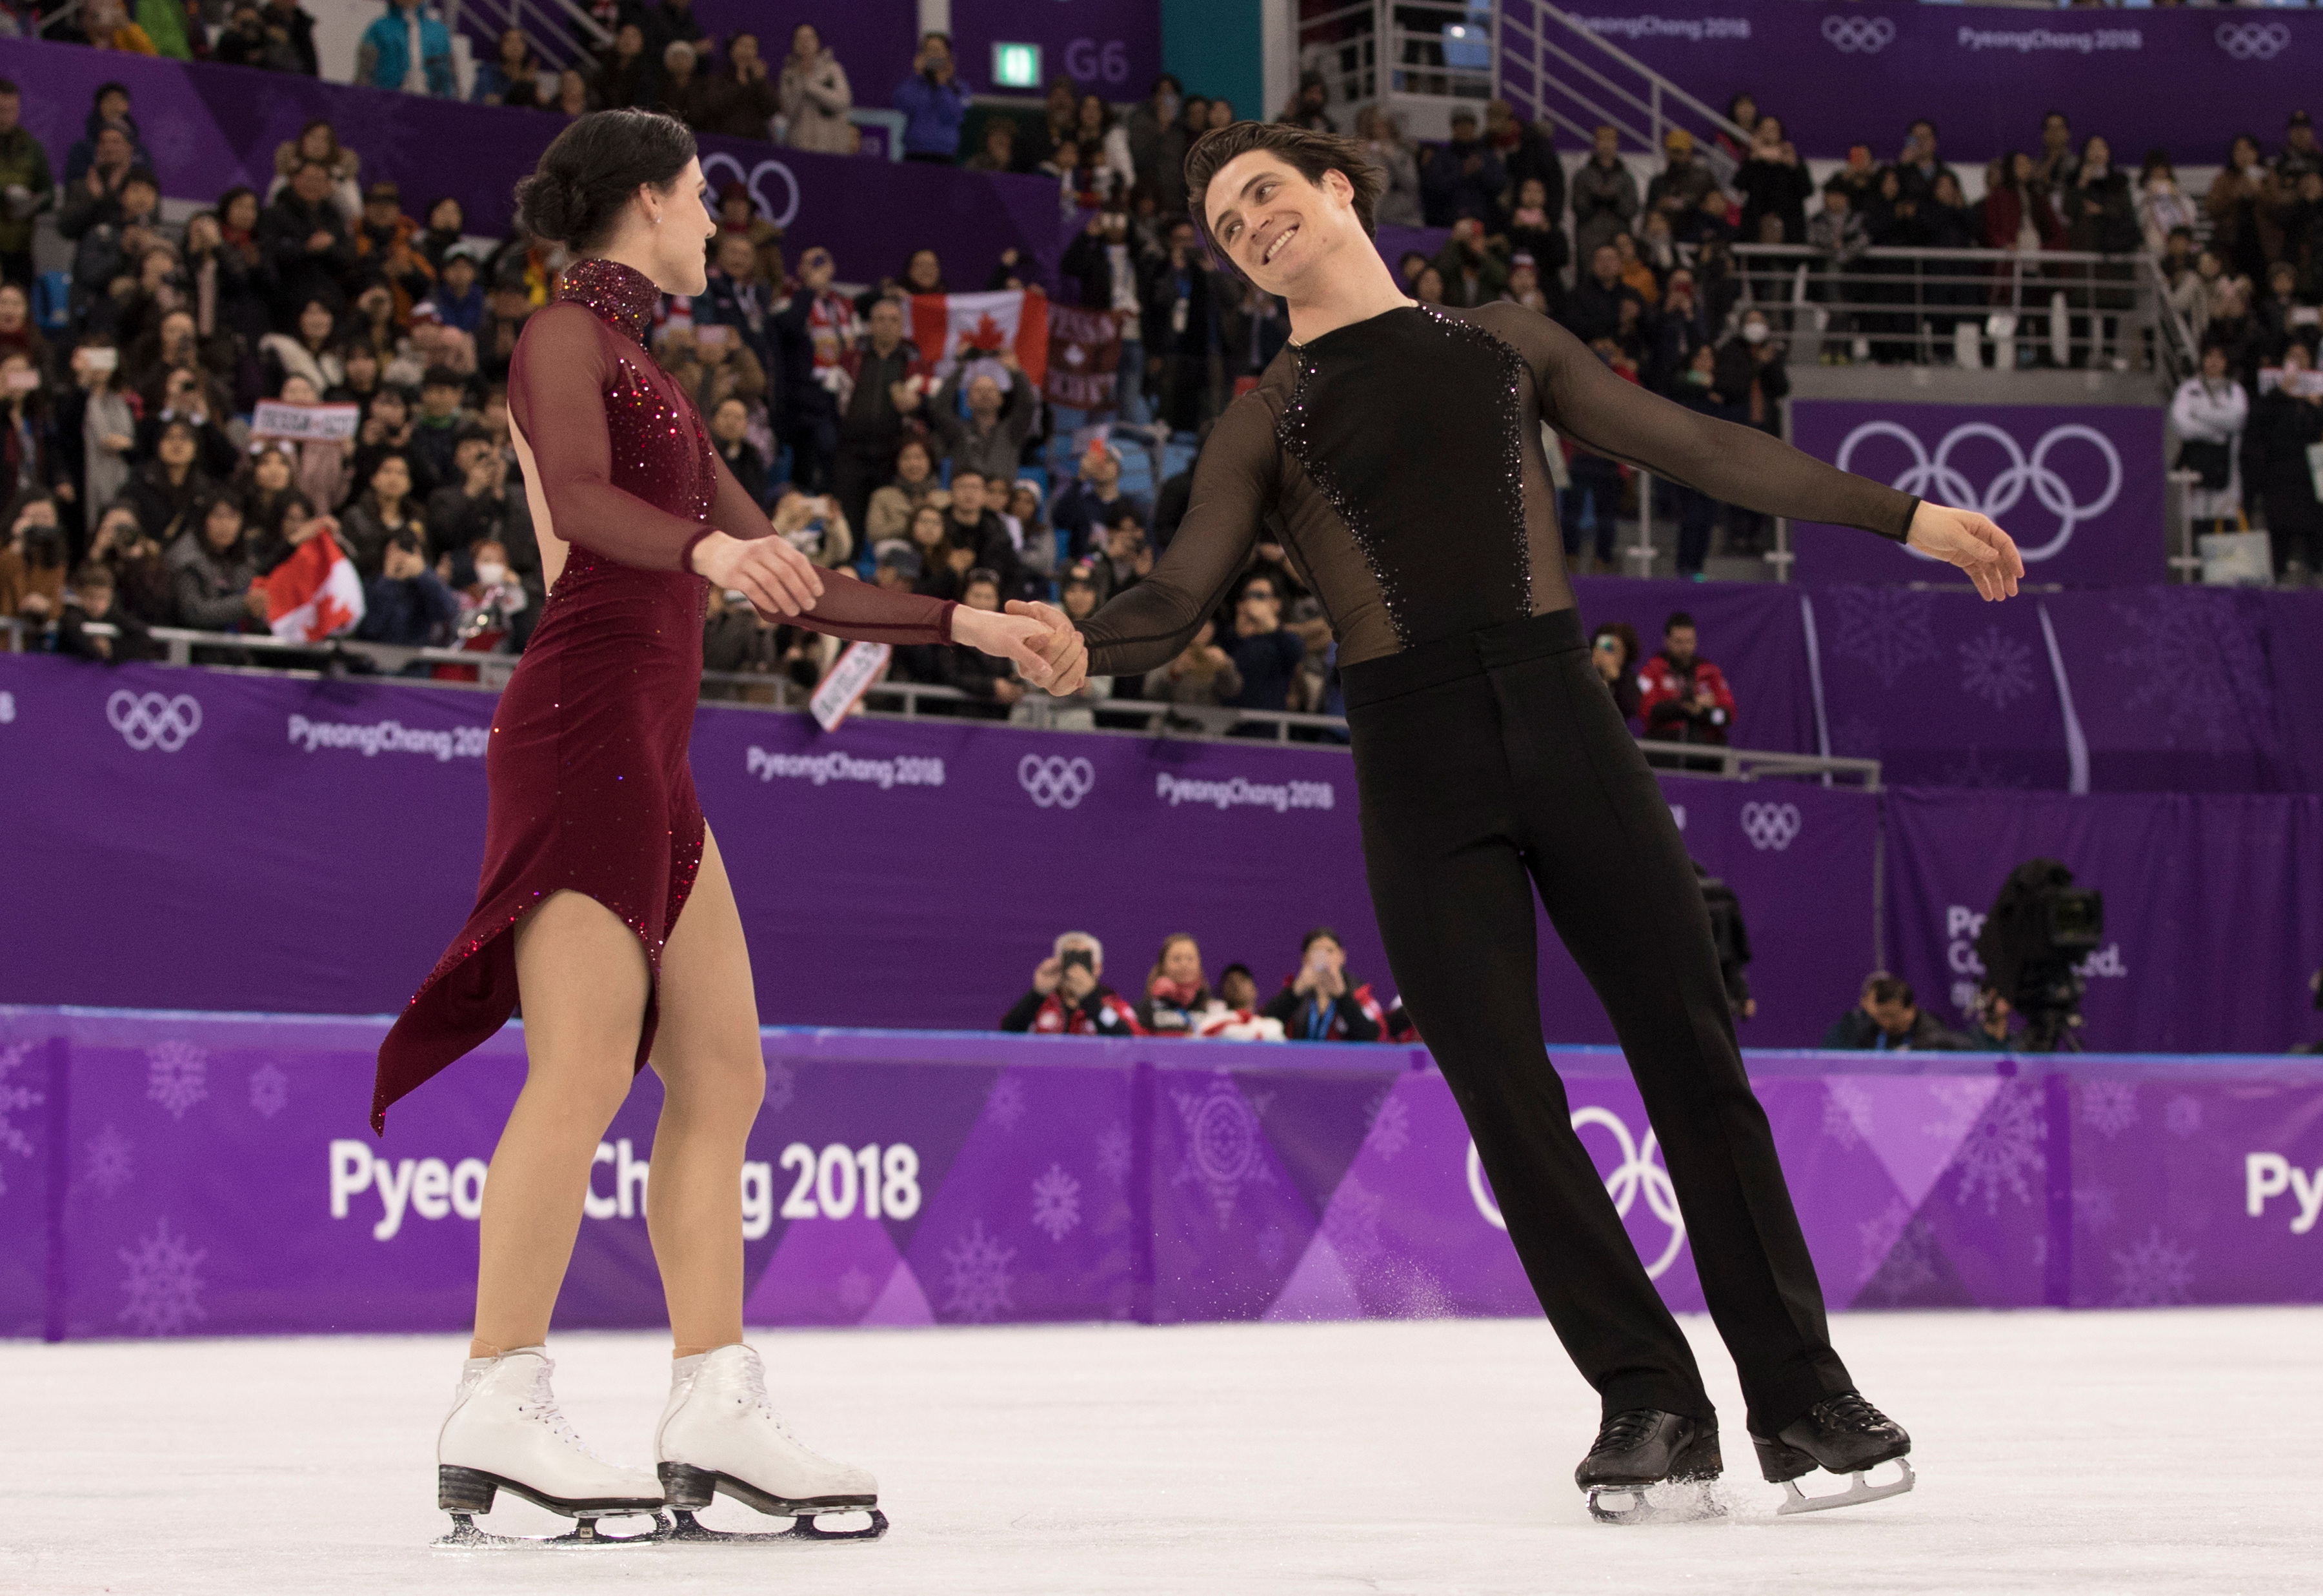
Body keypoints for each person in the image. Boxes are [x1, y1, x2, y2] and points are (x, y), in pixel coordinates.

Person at [1034, 121, 2025, 1521]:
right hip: (1414, 757)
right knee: (1508, 1097)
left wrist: (1899, 516)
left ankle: (1803, 1397)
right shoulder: (1266, 413)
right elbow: (1176, 594)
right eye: (1221, 224)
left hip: (1568, 726)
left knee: (1694, 1058)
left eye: (1263, 193)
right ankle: (1649, 1401)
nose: (1247, 225)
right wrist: (1081, 641)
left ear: (1339, 186)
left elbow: (1693, 444)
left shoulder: (1502, 340)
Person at [369, 110, 1070, 1545]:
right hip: (579, 730)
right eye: (700, 199)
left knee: (725, 1071)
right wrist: (703, 547)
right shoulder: (565, 336)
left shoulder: (655, 375)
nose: (714, 222)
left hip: (652, 750)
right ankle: (499, 1400)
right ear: (643, 200)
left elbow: (791, 580)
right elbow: (576, 502)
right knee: (578, 1070)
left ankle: (713, 1402)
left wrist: (972, 624)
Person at [2170, 344, 2248, 539]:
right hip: (2197, 466)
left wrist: (2199, 412)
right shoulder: (2188, 389)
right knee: (2198, 529)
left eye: (2219, 358)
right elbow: (2182, 426)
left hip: (2226, 468)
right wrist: (2217, 433)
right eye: (2209, 357)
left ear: (2226, 363)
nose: (2213, 362)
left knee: (2225, 530)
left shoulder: (2235, 391)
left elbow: (2236, 420)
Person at [1000, 932, 1143, 1035]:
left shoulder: (1112, 1005)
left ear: (1098, 968)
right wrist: (1037, 993)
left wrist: (1090, 999)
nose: (1075, 969)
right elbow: (1007, 1032)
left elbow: (1128, 1039)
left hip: (1093, 1076)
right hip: (1041, 1075)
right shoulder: (1041, 1003)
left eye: (1082, 961)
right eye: (1069, 960)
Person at [1637, 611, 1736, 757]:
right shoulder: (1651, 672)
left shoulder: (1711, 674)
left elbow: (1727, 716)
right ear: (1667, 641)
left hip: (1705, 757)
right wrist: (1687, 705)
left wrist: (1705, 712)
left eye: (1689, 641)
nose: (1685, 647)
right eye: (1679, 642)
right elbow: (1648, 711)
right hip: (1663, 754)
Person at [1263, 927, 1383, 1042]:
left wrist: (1343, 997)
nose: (1324, 957)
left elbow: (1374, 1036)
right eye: (1316, 952)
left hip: (1345, 1062)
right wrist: (1294, 993)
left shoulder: (1359, 992)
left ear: (1342, 956)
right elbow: (1264, 1026)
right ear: (1305, 958)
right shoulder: (1293, 991)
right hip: (1296, 1062)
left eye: (1330, 951)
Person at [0, 83, 54, 291]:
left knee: (17, 309)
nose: (4, 116)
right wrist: (5, 195)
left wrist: (33, 202)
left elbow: (49, 194)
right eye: (1, 109)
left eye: (10, 110)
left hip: (19, 247)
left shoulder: (32, 147)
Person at [1820, 975, 1961, 1052]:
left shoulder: (1933, 1033)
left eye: (1891, 1016)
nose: (1885, 1022)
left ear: (1909, 1009)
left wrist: (1912, 1050)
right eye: (1881, 1016)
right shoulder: (1866, 1029)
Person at [892, 32, 968, 165]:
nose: (934, 55)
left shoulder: (960, 88)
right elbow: (902, 105)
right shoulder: (914, 84)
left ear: (948, 55)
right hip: (915, 153)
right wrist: (917, 74)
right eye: (929, 50)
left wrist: (943, 86)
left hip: (944, 155)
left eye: (938, 50)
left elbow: (954, 116)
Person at [356, 0, 456, 97]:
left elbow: (449, 81)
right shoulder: (378, 29)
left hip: (429, 106)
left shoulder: (439, 33)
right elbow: (364, 77)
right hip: (386, 104)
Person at [777, 23, 850, 154]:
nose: (805, 43)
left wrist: (811, 87)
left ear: (818, 42)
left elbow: (842, 102)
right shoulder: (788, 75)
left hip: (831, 148)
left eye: (809, 38)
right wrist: (801, 80)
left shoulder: (833, 69)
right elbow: (790, 111)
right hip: (800, 147)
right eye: (800, 39)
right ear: (794, 45)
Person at [1588, 619, 1642, 728]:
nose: (1607, 654)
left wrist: (1615, 679)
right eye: (1605, 647)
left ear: (1625, 653)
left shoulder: (1628, 679)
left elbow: (1630, 708)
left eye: (1613, 649)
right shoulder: (1584, 672)